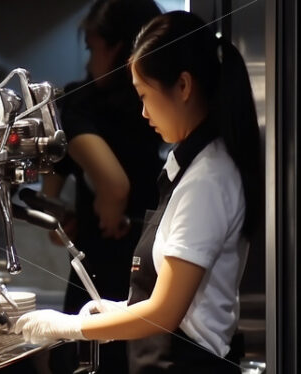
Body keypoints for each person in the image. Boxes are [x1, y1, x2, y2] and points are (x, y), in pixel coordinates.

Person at [17, 10, 261, 374]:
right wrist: (119, 310)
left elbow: (165, 312)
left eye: (145, 95)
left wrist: (70, 326)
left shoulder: (209, 178)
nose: (144, 112)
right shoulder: (191, 166)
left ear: (183, 86)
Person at [41, 0, 163, 372]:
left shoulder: (81, 104)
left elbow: (113, 186)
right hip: (150, 262)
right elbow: (54, 192)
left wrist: (67, 216)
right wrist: (60, 215)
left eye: (93, 48)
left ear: (117, 48)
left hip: (108, 263)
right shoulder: (155, 104)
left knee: (91, 357)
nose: (88, 61)